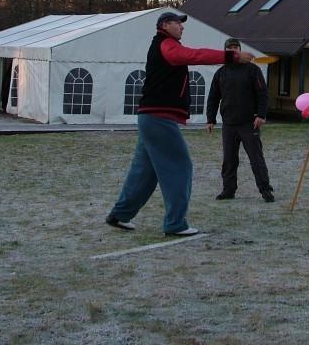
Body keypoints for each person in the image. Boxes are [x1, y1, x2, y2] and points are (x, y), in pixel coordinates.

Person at [106, 12, 255, 237]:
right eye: (178, 23)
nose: (182, 27)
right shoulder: (167, 45)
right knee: (180, 167)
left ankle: (120, 214)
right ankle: (176, 223)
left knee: (144, 172)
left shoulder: (164, 44)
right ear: (165, 25)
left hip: (151, 118)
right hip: (158, 118)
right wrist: (231, 56)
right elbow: (195, 55)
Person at [206, 38, 274, 202]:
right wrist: (211, 119)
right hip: (229, 124)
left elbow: (262, 94)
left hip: (249, 123)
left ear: (240, 49)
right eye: (230, 48)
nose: (234, 50)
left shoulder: (252, 70)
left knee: (256, 158)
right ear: (226, 51)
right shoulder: (221, 72)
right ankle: (228, 190)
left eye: (236, 47)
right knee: (229, 160)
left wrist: (261, 115)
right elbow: (213, 97)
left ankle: (265, 190)